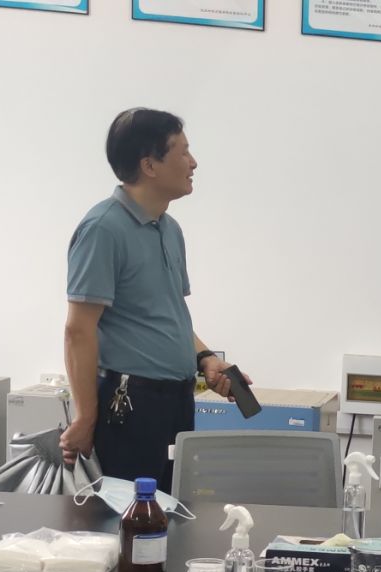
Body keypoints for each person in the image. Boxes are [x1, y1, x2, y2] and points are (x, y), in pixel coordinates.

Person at [59, 108, 247, 490]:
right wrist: (85, 417)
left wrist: (206, 359)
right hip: (131, 406)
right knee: (129, 516)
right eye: (183, 152)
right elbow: (78, 331)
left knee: (173, 512)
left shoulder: (169, 228)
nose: (193, 162)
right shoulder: (103, 229)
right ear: (149, 165)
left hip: (176, 402)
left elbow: (167, 315)